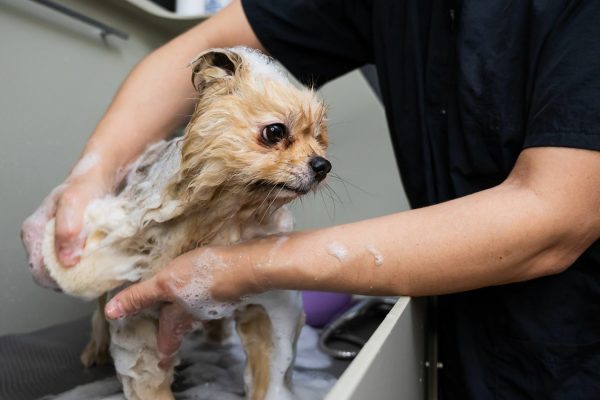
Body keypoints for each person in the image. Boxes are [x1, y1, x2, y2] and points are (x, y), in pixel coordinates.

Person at [23, 1, 600, 398]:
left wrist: (243, 269)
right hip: (463, 326)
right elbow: (193, 55)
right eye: (277, 136)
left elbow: (553, 215)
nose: (318, 159)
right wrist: (90, 180)